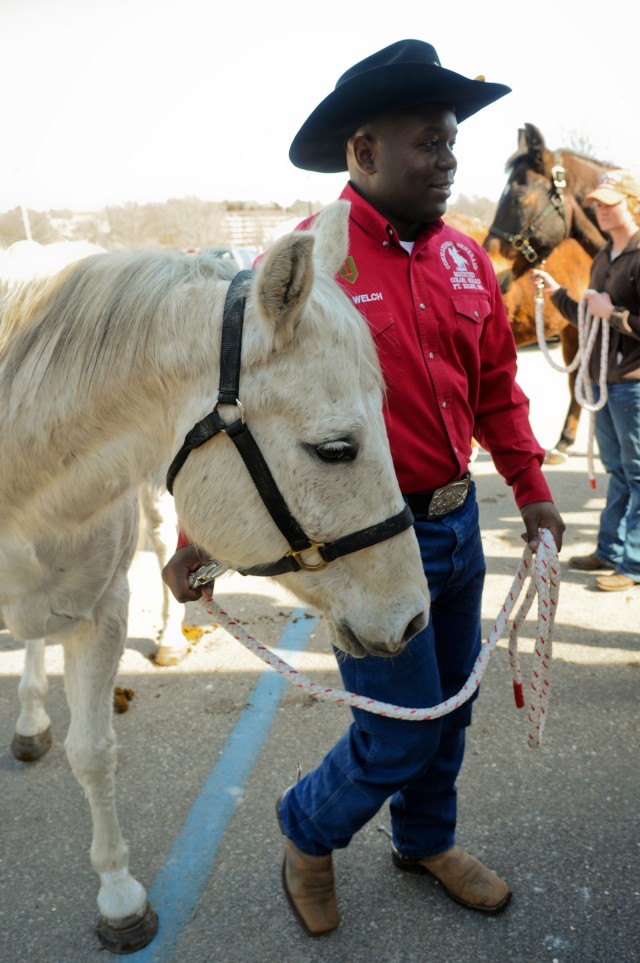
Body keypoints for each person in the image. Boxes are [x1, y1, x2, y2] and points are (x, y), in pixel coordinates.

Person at [163, 39, 565, 936]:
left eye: (452, 140)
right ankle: (308, 831)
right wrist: (200, 541)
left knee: (447, 714)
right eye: (429, 140)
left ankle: (426, 840)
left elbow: (498, 389)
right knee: (400, 729)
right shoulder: (303, 269)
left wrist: (534, 492)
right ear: (364, 151)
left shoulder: (466, 261)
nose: (449, 158)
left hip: (459, 530)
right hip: (371, 545)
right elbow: (244, 419)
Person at [532, 169, 640, 592]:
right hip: (606, 383)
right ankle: (610, 550)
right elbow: (587, 311)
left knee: (637, 474)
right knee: (618, 470)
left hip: (632, 382)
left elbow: (605, 314)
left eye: (610, 203)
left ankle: (632, 563)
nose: (601, 210)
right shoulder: (604, 258)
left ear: (632, 204)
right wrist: (557, 292)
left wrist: (611, 315)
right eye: (596, 203)